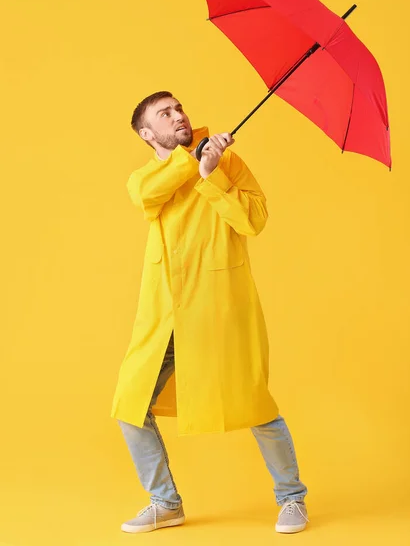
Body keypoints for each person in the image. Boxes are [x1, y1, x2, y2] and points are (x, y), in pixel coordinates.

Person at [111, 91, 309, 534]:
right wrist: (193, 162)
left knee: (255, 403)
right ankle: (165, 502)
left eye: (179, 107)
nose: (178, 115)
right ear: (148, 134)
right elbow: (150, 196)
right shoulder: (144, 178)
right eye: (165, 113)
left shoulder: (226, 162)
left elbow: (254, 221)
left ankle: (292, 498)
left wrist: (211, 175)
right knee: (129, 404)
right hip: (165, 315)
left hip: (219, 306)